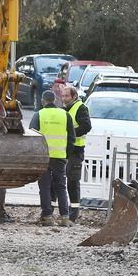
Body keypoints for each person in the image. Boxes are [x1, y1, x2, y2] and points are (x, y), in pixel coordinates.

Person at [29, 89, 71, 224]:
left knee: (45, 187)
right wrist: (66, 154)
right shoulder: (65, 115)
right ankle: (65, 216)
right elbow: (72, 137)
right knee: (61, 187)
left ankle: (47, 216)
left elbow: (32, 136)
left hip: (43, 157)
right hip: (60, 156)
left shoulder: (38, 115)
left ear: (43, 101)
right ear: (55, 100)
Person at [60, 83, 93, 221]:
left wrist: (71, 135)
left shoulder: (80, 108)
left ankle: (74, 212)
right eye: (62, 96)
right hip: (64, 150)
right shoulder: (64, 109)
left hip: (76, 150)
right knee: (61, 182)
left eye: (66, 96)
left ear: (74, 96)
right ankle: (65, 211)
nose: (63, 98)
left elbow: (86, 126)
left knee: (73, 182)